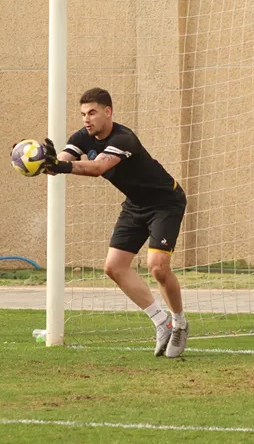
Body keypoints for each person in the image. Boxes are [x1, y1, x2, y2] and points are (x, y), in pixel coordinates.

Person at [43, 87, 189, 358]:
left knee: (157, 267)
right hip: (135, 205)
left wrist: (60, 167)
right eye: (83, 114)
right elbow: (63, 160)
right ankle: (162, 322)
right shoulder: (82, 137)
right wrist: (43, 162)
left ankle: (180, 324)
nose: (87, 119)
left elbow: (97, 168)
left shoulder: (124, 138)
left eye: (92, 112)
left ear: (108, 112)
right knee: (114, 267)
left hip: (166, 202)